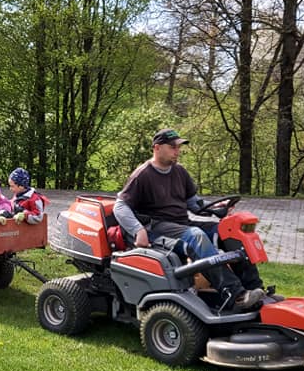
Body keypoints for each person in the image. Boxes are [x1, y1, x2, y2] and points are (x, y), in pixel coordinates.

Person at [112, 128, 265, 311]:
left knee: (228, 230)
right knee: (196, 235)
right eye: (172, 147)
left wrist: (217, 207)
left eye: (178, 147)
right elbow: (120, 206)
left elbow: (194, 203)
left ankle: (255, 289)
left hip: (181, 224)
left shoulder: (180, 171)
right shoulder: (143, 175)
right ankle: (234, 294)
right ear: (157, 148)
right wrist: (138, 230)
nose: (177, 151)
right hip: (158, 227)